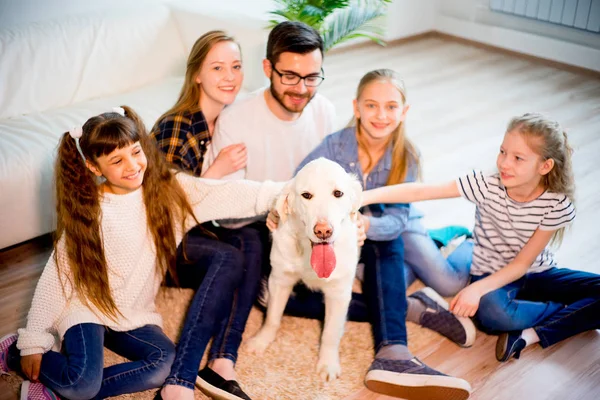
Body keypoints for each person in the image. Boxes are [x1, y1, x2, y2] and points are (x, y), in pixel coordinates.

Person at [0, 106, 284, 400]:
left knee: (164, 365)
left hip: (132, 313)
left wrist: (280, 196)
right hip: (85, 308)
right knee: (82, 383)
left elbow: (223, 193)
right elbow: (58, 277)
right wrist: (32, 342)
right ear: (95, 168)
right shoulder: (90, 211)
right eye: (117, 160)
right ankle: (13, 352)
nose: (133, 165)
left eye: (136, 152)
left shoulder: (168, 192)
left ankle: (57, 394)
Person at [271, 69, 475, 400]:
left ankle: (457, 238)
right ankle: (409, 303)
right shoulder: (334, 146)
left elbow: (396, 219)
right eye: (371, 105)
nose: (381, 115)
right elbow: (300, 185)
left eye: (391, 107)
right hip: (346, 230)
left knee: (449, 283)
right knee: (367, 284)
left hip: (400, 225)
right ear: (356, 107)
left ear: (404, 112)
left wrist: (367, 225)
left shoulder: (408, 154)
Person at [362, 112, 600, 362]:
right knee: (493, 314)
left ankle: (530, 334)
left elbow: (522, 265)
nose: (505, 163)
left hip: (536, 272)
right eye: (503, 152)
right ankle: (569, 312)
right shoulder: (485, 185)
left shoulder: (557, 205)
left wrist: (475, 290)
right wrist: (364, 197)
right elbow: (422, 191)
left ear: (545, 166)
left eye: (518, 158)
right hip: (490, 271)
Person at [150, 31, 259, 400]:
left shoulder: (231, 120)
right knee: (229, 256)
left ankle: (222, 363)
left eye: (236, 66)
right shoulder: (176, 125)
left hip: (199, 230)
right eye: (217, 67)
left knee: (252, 238)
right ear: (197, 74)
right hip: (160, 244)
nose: (230, 76)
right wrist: (217, 170)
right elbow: (165, 209)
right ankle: (178, 382)